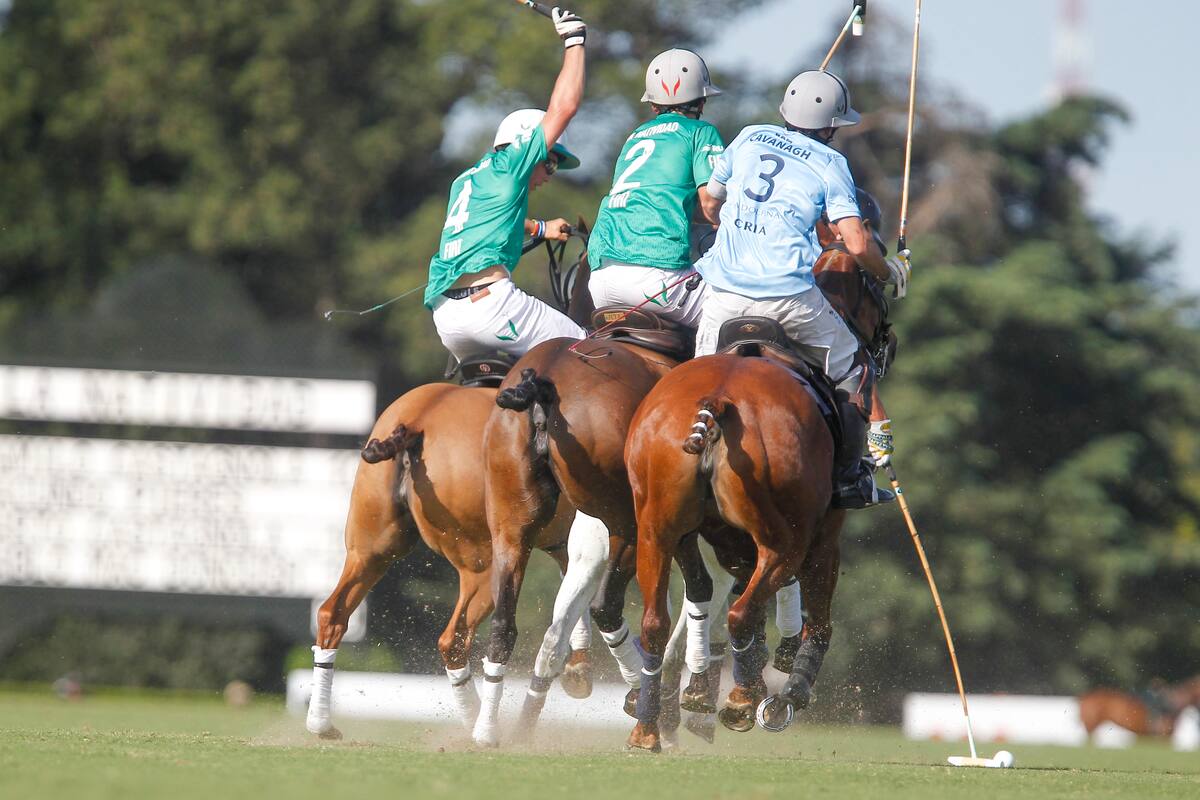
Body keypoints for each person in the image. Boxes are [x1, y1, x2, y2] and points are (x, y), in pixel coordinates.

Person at [694, 69, 911, 509]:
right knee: (855, 369)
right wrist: (888, 271)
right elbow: (854, 243)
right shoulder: (832, 164)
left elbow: (709, 202)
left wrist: (734, 227)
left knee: (693, 378)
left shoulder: (750, 135)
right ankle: (857, 475)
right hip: (790, 298)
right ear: (833, 125)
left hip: (721, 295)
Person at [425, 8, 588, 361]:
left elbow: (490, 225)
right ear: (525, 148)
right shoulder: (514, 163)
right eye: (550, 162)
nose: (548, 174)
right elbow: (565, 108)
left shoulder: (467, 179)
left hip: (447, 319)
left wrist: (540, 227)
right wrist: (574, 42)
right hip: (491, 307)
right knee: (590, 351)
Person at [586, 48, 724, 328]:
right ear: (702, 100)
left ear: (653, 105)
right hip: (655, 280)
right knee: (736, 310)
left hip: (601, 281)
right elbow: (711, 207)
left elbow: (664, 201)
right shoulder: (700, 132)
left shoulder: (634, 136)